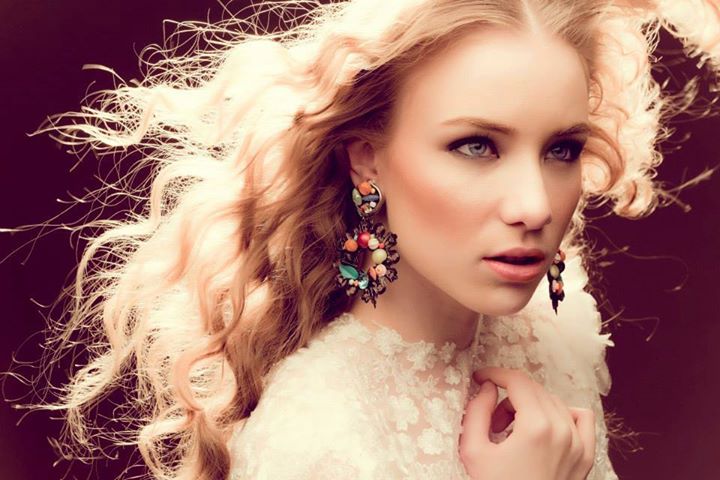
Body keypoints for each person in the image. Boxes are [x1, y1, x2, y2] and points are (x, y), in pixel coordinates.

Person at [14, 0, 720, 479]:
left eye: (561, 149)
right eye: (477, 145)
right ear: (367, 159)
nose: (535, 205)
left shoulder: (551, 336)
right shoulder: (317, 434)